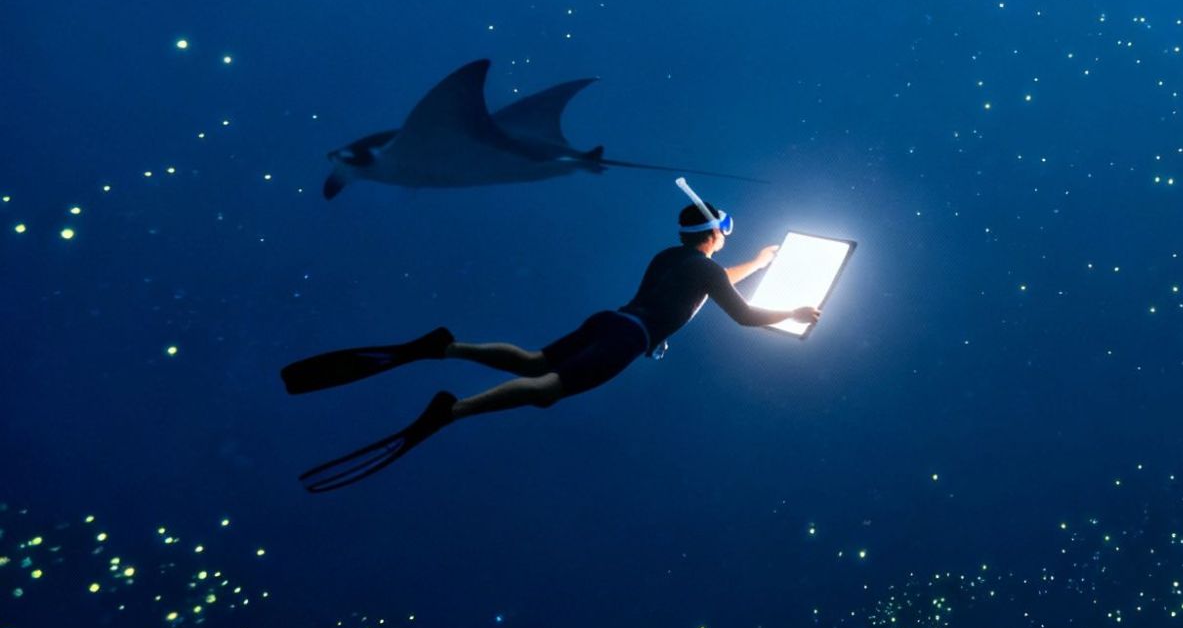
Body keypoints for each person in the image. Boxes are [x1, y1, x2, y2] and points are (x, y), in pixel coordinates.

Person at [283, 201, 819, 492]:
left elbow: (712, 276)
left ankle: (446, 348)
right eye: (723, 229)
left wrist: (761, 262)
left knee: (537, 358)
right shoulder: (705, 268)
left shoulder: (671, 258)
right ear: (713, 233)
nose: (726, 236)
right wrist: (792, 311)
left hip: (608, 319)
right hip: (630, 339)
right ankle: (455, 410)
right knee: (548, 389)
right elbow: (743, 315)